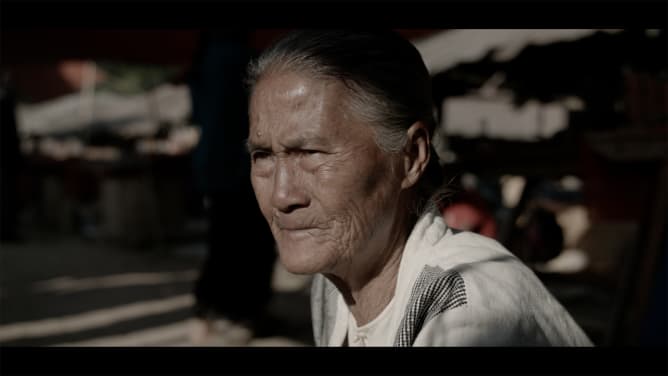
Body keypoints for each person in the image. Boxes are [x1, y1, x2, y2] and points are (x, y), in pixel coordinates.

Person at [244, 30, 592, 346]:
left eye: (310, 153)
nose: (282, 196)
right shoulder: (334, 283)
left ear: (410, 156)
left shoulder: (467, 308)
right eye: (262, 156)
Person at [187, 30, 276, 344]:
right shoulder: (237, 57)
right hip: (238, 167)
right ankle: (240, 314)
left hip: (216, 166)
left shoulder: (205, 59)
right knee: (250, 242)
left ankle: (212, 310)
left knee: (223, 240)